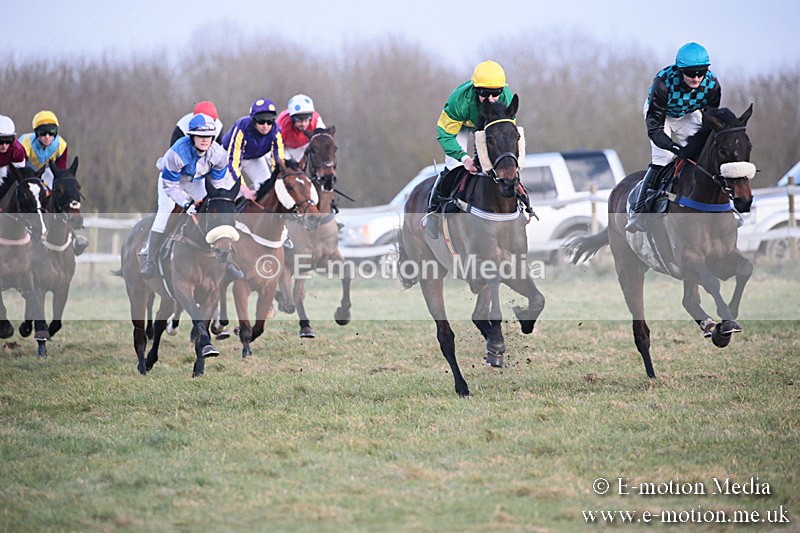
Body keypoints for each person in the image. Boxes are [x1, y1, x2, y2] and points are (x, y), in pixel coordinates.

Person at [626, 42, 721, 232]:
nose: (696, 78)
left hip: (688, 114)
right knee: (663, 159)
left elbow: (710, 123)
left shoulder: (712, 86)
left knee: (704, 154)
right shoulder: (662, 84)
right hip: (661, 116)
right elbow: (654, 129)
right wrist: (673, 146)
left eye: (700, 72)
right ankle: (639, 212)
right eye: (691, 73)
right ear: (680, 71)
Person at [139, 113, 243, 280]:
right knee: (166, 210)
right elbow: (171, 187)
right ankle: (150, 260)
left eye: (209, 136)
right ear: (192, 137)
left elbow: (217, 183)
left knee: (213, 207)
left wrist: (219, 200)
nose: (205, 140)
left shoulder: (218, 154)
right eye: (201, 136)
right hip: (172, 181)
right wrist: (185, 204)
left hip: (196, 180)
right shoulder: (177, 153)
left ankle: (227, 259)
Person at [425, 60, 515, 238]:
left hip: (487, 127)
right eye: (484, 93)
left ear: (501, 90)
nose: (490, 99)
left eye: (495, 93)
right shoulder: (459, 100)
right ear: (475, 89)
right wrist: (464, 158)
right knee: (453, 167)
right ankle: (433, 212)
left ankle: (520, 202)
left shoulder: (507, 98)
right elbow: (444, 134)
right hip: (460, 127)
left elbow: (506, 135)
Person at [19, 110, 89, 255]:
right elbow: (23, 169)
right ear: (36, 133)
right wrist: (40, 186)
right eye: (43, 133)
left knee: (59, 195)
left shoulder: (61, 145)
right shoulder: (24, 143)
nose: (47, 137)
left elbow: (60, 171)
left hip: (47, 171)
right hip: (24, 172)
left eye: (51, 133)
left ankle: (73, 237)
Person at [221, 98, 284, 199]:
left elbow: (278, 162)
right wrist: (244, 189)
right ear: (253, 120)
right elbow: (233, 162)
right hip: (228, 156)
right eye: (261, 121)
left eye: (270, 121)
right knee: (235, 193)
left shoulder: (276, 131)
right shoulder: (242, 126)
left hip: (254, 158)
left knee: (266, 186)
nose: (266, 126)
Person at [276, 94, 326, 162]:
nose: (303, 124)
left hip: (305, 146)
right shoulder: (281, 124)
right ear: (292, 119)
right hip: (285, 147)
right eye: (299, 120)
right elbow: (276, 146)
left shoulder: (317, 122)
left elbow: (324, 142)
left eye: (306, 120)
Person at [0, 115, 27, 187]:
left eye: (9, 140)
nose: (4, 145)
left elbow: (20, 173)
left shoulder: (17, 150)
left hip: (5, 167)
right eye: (0, 141)